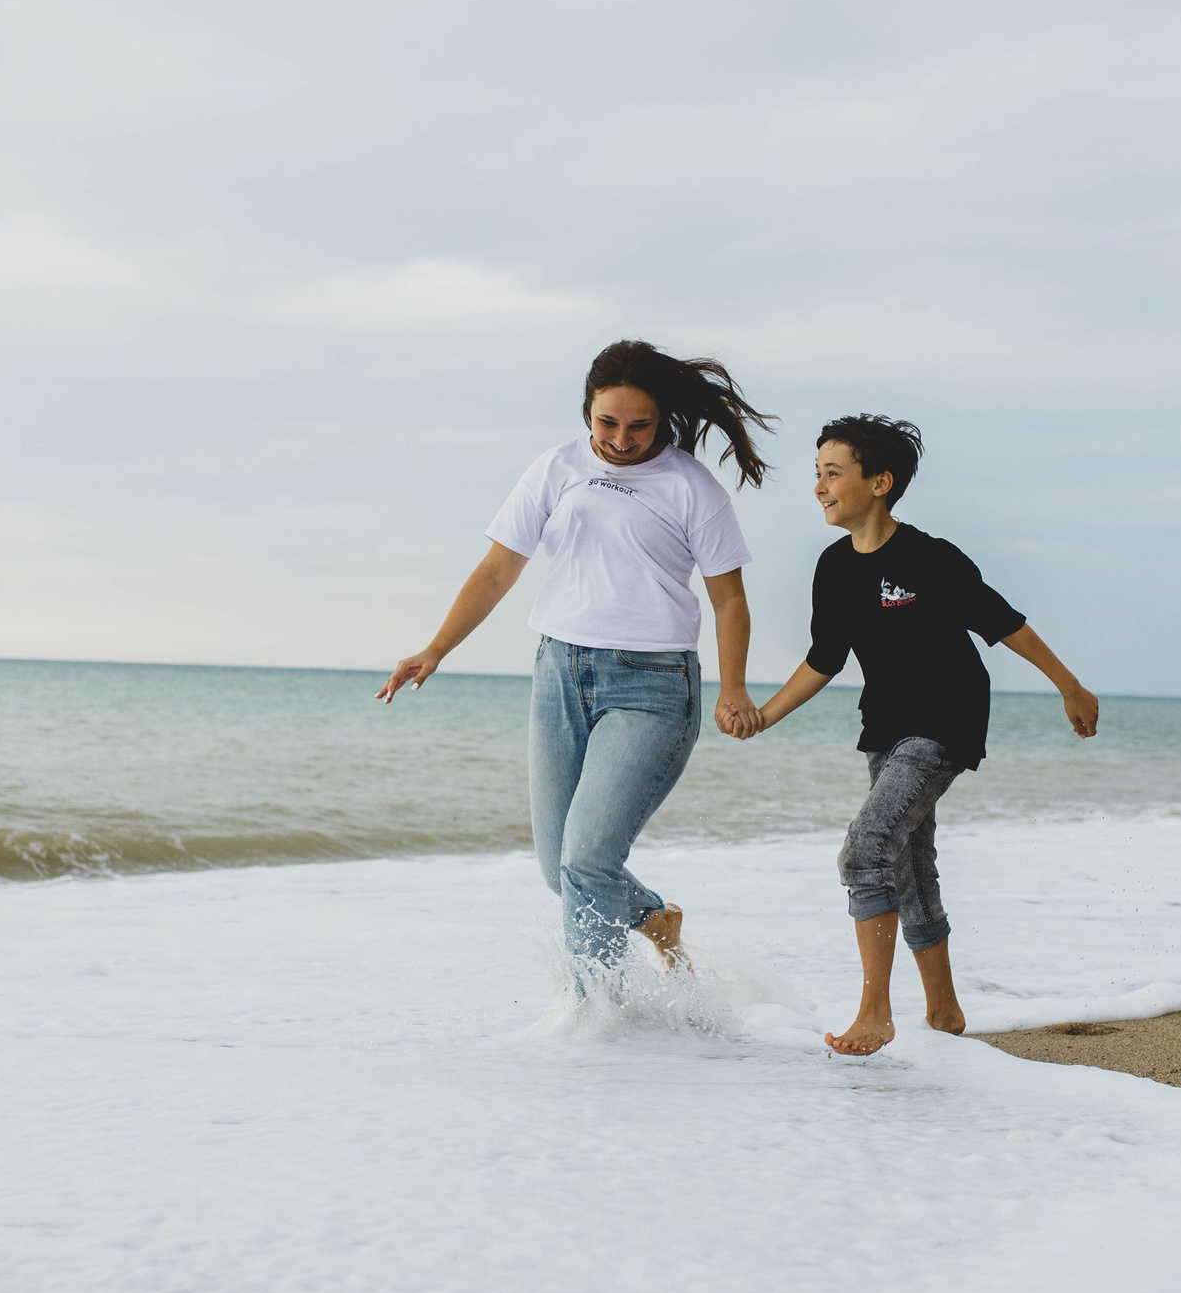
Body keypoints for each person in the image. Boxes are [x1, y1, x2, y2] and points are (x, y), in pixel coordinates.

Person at [378, 341, 771, 978]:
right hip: (559, 673)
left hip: (653, 684)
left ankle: (597, 1025)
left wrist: (734, 688)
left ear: (663, 418)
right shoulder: (554, 468)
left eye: (639, 425)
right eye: (606, 422)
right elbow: (498, 568)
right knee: (558, 867)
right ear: (586, 411)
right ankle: (653, 920)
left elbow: (729, 599)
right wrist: (435, 649)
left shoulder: (691, 486)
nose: (620, 439)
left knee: (585, 860)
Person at [742, 415, 1099, 1055]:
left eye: (832, 473)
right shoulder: (833, 567)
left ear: (879, 482)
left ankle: (875, 1011)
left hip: (946, 722)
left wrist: (1068, 686)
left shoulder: (931, 558)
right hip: (884, 727)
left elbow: (1004, 623)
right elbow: (825, 658)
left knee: (865, 850)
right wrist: (765, 715)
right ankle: (945, 1012)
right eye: (816, 475)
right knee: (907, 863)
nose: (819, 487)